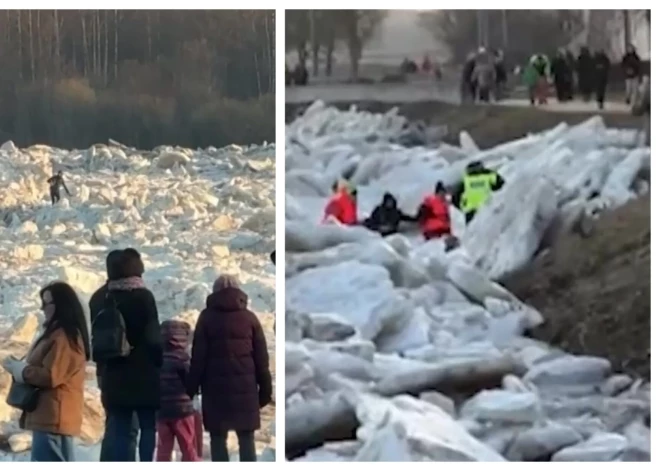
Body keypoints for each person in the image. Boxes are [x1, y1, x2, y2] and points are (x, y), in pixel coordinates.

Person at [187, 275, 272, 462]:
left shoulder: (206, 318)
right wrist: (266, 390)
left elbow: (198, 358)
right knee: (246, 437)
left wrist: (191, 388)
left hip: (215, 390)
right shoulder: (250, 319)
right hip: (245, 389)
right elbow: (261, 358)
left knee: (218, 438)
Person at [2, 282, 90, 461]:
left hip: (54, 418)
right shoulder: (55, 334)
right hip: (48, 416)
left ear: (61, 305)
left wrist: (23, 371)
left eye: (46, 304)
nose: (42, 309)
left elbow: (52, 375)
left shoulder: (64, 337)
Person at [90, 248, 163, 461]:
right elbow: (153, 337)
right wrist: (159, 363)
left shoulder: (102, 298)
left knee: (120, 429)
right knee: (148, 428)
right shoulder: (143, 297)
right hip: (144, 374)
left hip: (114, 373)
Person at [89, 250, 139, 461]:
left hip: (106, 370)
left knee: (114, 423)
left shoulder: (98, 297)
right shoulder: (136, 295)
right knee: (129, 429)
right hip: (132, 370)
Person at [156, 320, 199, 462]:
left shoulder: (157, 360)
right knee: (188, 446)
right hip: (183, 411)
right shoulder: (183, 359)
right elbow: (191, 383)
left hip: (162, 410)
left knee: (163, 449)